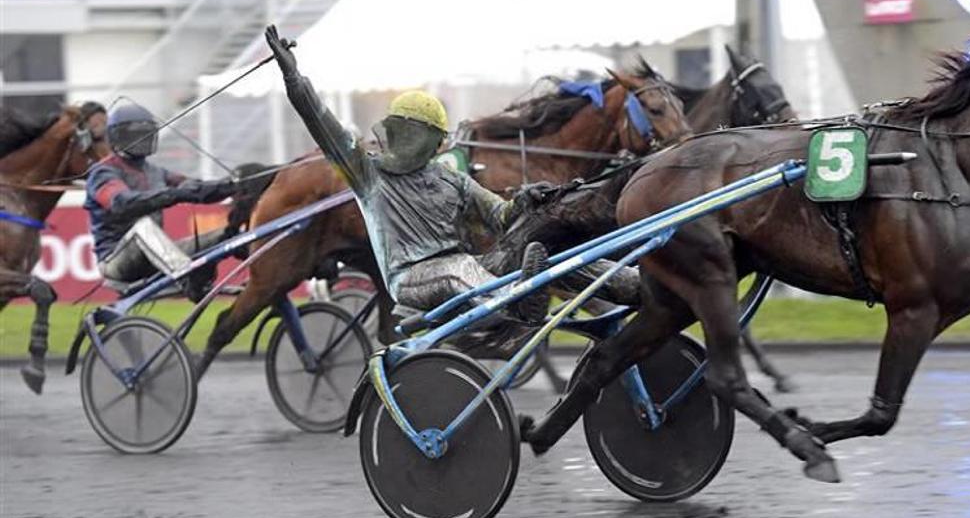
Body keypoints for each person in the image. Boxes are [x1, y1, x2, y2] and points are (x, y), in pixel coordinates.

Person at [265, 25, 592, 353]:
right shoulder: (368, 174)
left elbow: (500, 215)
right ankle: (518, 306)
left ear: (437, 141)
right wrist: (294, 78)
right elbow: (324, 125)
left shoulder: (454, 180)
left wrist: (525, 200)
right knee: (456, 269)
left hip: (468, 270)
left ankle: (630, 285)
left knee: (541, 245)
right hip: (410, 279)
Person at [85, 103, 237, 298]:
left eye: (146, 133)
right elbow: (122, 203)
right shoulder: (103, 172)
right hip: (115, 262)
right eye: (135, 134)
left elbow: (197, 189)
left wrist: (236, 184)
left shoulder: (156, 172)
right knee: (144, 227)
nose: (142, 139)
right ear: (117, 136)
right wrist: (174, 195)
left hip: (154, 258)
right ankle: (186, 277)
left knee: (229, 232)